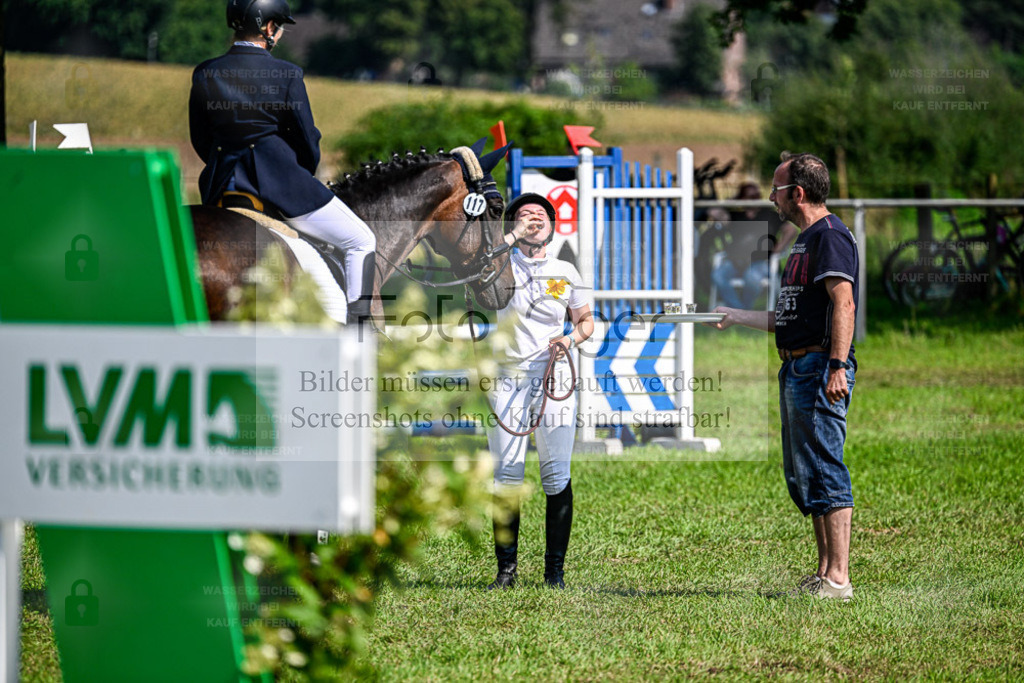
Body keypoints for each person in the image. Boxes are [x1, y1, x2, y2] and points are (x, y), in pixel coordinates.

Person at [709, 153, 859, 600]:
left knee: (826, 465)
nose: (772, 198)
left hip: (819, 366)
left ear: (797, 193)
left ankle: (839, 579)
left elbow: (844, 304)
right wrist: (737, 315)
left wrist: (836, 366)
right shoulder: (803, 239)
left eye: (775, 189)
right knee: (806, 473)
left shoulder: (829, 236)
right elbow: (790, 315)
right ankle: (824, 574)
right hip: (796, 363)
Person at [189, 0, 376, 325]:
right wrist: (300, 172)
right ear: (269, 27)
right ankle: (361, 332)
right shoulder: (287, 74)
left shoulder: (206, 72)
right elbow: (306, 140)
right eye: (279, 26)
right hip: (281, 187)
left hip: (221, 186)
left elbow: (200, 138)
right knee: (361, 240)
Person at [485, 193, 594, 590]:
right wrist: (511, 237)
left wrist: (570, 340)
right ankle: (506, 571)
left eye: (541, 214)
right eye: (524, 214)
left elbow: (586, 321)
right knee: (507, 475)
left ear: (553, 225)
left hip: (554, 376)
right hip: (507, 377)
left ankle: (554, 574)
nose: (534, 218)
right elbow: (479, 271)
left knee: (556, 476)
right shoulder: (497, 265)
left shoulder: (566, 270)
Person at [710, 182, 797, 309]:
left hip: (761, 262)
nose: (753, 198)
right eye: (748, 195)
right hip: (735, 262)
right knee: (717, 275)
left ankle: (740, 312)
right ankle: (740, 309)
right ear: (741, 197)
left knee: (752, 277)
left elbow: (791, 230)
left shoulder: (769, 214)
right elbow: (714, 212)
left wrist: (777, 250)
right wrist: (734, 199)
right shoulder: (735, 216)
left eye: (756, 195)